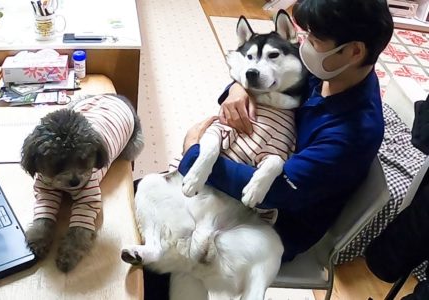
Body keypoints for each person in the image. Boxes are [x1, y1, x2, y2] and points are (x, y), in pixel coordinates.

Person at [145, 0, 394, 298]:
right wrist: (239, 87)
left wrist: (194, 153)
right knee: (146, 199)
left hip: (274, 223)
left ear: (354, 50)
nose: (304, 48)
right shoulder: (333, 70)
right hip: (249, 164)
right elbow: (261, 72)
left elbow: (274, 192)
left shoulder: (352, 132)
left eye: (314, 41)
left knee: (163, 258)